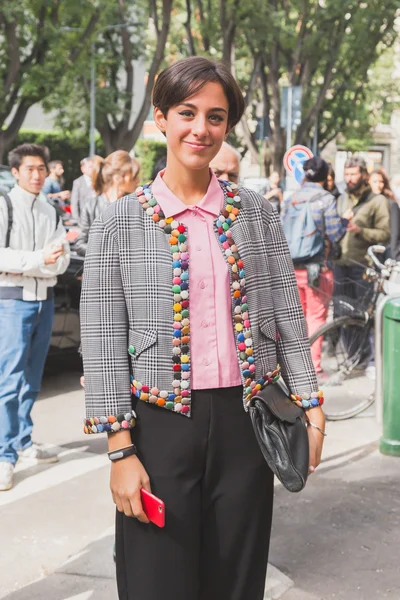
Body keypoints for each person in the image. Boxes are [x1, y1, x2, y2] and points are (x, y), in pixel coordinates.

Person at [80, 56, 325, 600]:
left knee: (237, 579)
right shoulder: (120, 221)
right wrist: (121, 452)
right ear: (161, 117)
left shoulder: (256, 213)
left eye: (216, 117)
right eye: (187, 112)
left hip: (248, 420)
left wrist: (311, 402)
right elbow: (100, 342)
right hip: (158, 425)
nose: (201, 128)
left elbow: (286, 309)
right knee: (155, 580)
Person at [0, 143, 70, 491]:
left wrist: (45, 263)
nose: (37, 175)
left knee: (32, 378)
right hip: (12, 302)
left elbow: (62, 258)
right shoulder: (4, 205)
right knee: (8, 380)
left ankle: (24, 442)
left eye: (41, 168)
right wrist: (39, 259)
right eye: (30, 169)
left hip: (45, 300)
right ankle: (4, 454)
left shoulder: (50, 209)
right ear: (15, 171)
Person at [281, 157, 351, 375]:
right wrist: (345, 222)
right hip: (318, 268)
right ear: (326, 177)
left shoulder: (291, 198)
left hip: (291, 268)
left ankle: (294, 367)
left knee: (296, 318)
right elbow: (335, 233)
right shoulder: (326, 199)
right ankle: (313, 367)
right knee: (316, 317)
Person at [334, 157, 390, 367]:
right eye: (347, 174)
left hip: (363, 266)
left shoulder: (377, 201)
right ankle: (351, 356)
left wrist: (361, 231)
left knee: (360, 314)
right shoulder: (341, 199)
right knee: (341, 313)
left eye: (353, 174)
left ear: (364, 175)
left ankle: (363, 359)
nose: (349, 179)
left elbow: (385, 233)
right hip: (340, 263)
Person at [74, 151, 140, 257]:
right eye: (133, 175)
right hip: (100, 271)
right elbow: (80, 244)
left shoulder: (136, 206)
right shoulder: (91, 206)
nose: (138, 180)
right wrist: (108, 253)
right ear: (117, 178)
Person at [370, 168, 400, 261]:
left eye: (381, 182)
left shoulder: (391, 204)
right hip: (368, 253)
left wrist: (395, 257)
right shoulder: (365, 204)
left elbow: (395, 233)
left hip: (386, 253)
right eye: (375, 182)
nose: (378, 185)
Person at [70, 157, 95, 224]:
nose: (93, 169)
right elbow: (74, 201)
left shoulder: (98, 181)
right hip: (83, 219)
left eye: (94, 167)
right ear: (83, 169)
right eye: (90, 167)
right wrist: (76, 219)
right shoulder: (78, 182)